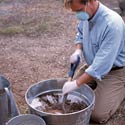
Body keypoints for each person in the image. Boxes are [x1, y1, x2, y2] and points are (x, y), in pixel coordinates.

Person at [62, 0, 125, 123]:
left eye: (79, 10)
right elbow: (80, 33)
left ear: (90, 1)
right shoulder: (87, 14)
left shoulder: (112, 24)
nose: (78, 15)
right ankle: (96, 85)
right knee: (71, 95)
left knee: (97, 114)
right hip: (93, 65)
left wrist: (76, 83)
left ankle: (121, 87)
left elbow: (101, 66)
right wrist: (78, 50)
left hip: (114, 71)